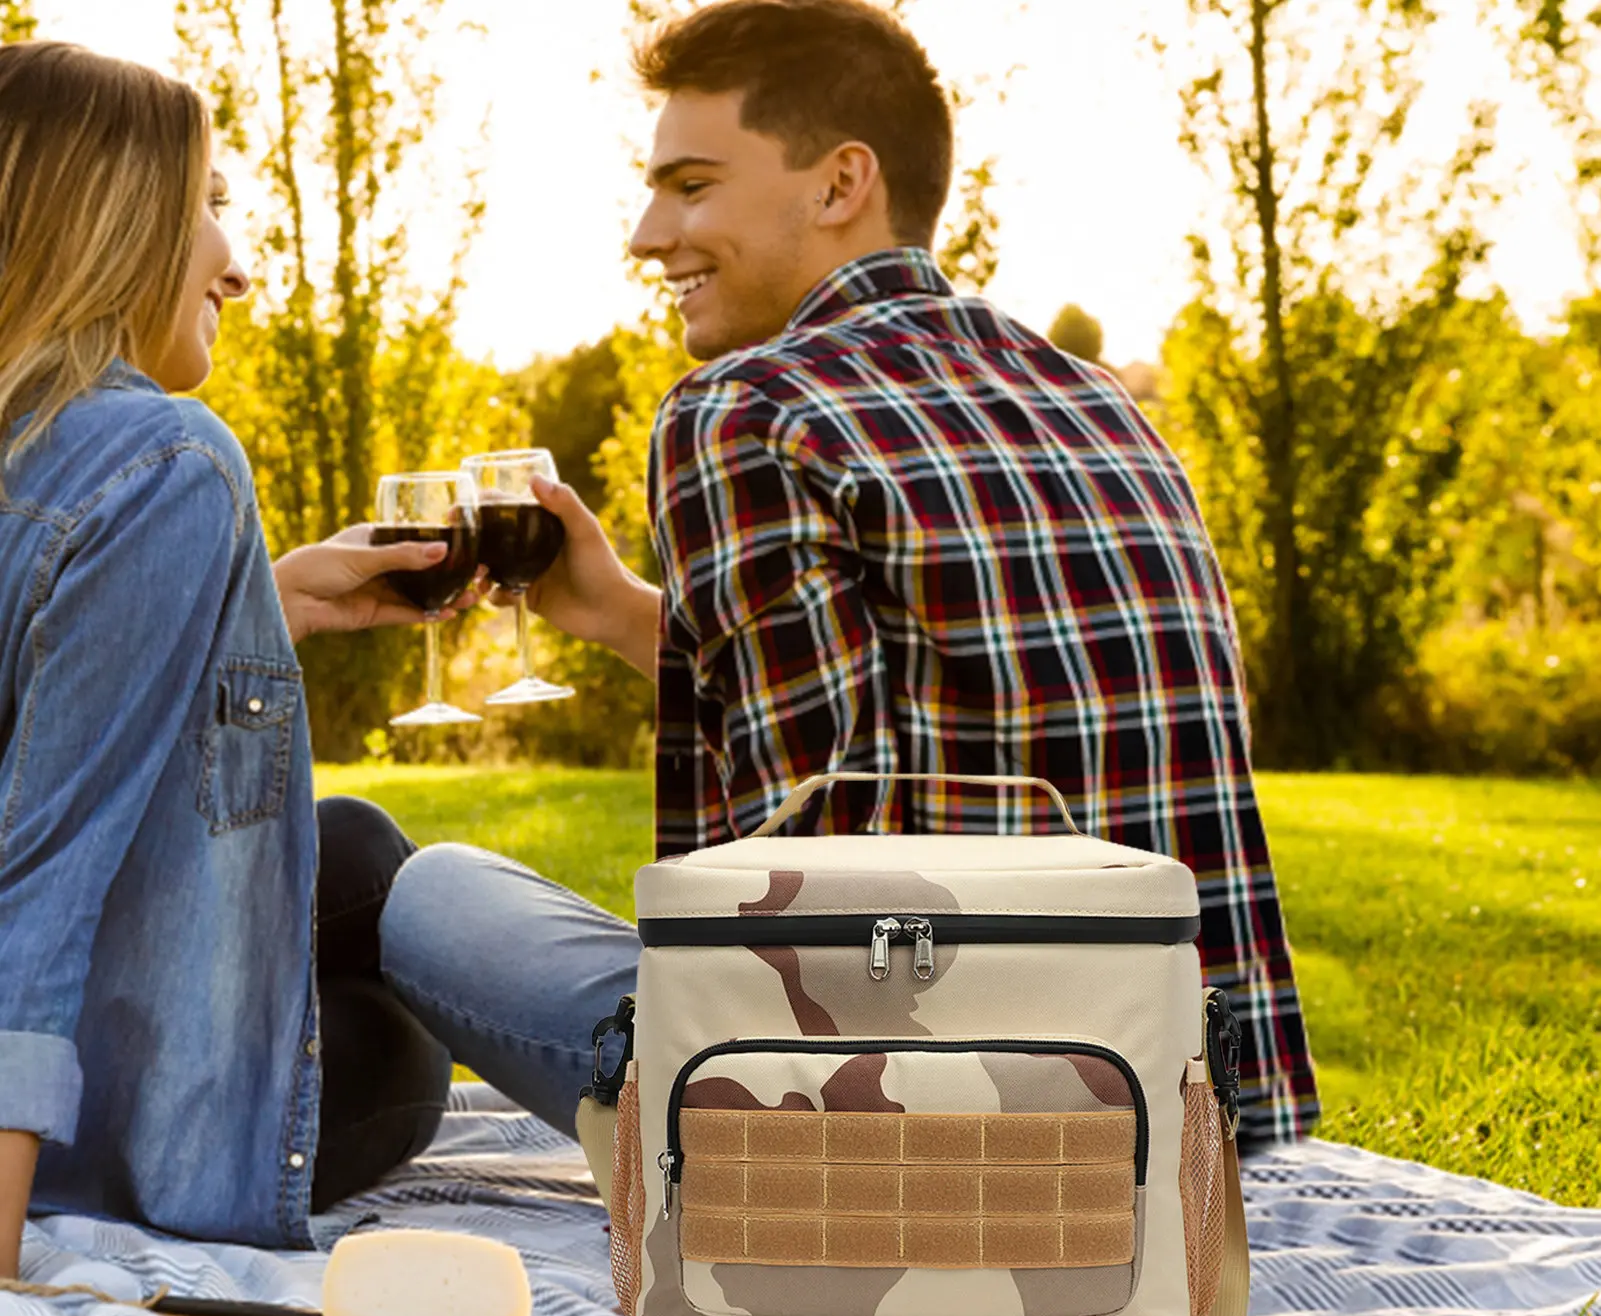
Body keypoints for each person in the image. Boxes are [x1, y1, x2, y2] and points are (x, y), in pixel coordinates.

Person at [454, 0, 1319, 1147]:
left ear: (838, 183)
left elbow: (798, 887)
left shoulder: (742, 409)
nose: (648, 234)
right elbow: (947, 717)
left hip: (911, 1143)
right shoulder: (1098, 400)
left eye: (691, 185)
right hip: (1197, 1134)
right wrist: (621, 613)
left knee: (413, 888)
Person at [0, 40, 639, 1276]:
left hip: (78, 1043)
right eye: (209, 204)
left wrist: (268, 601)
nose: (236, 264)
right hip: (104, 1136)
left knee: (352, 846)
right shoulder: (166, 457)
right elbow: (39, 870)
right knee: (397, 1031)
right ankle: (705, 1112)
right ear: (112, 218)